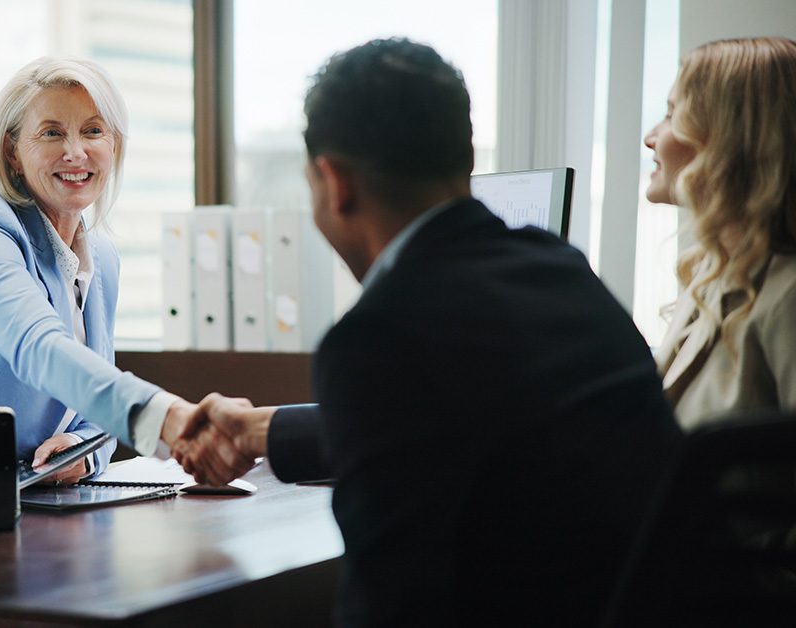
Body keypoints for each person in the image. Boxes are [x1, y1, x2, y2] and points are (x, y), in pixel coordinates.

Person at [176, 38, 681, 626]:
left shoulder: (378, 334)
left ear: (333, 183)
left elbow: (390, 603)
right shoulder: (561, 270)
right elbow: (465, 416)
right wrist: (261, 430)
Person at [0, 57, 247, 482]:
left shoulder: (101, 259)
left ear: (114, 147)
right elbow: (39, 347)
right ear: (12, 152)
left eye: (93, 131)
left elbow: (96, 415)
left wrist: (80, 452)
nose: (76, 152)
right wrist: (166, 418)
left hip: (16, 496)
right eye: (52, 133)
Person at [645, 36, 796, 430]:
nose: (651, 137)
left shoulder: (788, 297)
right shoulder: (710, 275)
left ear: (730, 138)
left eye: (670, 114)